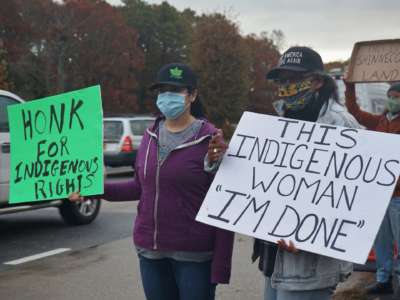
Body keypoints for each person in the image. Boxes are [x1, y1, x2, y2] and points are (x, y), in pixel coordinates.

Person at [208, 46, 361, 300]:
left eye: (295, 79)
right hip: (274, 256)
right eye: (282, 80)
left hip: (309, 264)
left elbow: (355, 195)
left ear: (317, 82)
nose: (286, 86)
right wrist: (223, 158)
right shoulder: (279, 121)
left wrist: (309, 235)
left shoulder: (341, 124)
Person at [71, 63, 234, 300]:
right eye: (162, 90)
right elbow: (138, 187)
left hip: (195, 256)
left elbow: (223, 205)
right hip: (151, 253)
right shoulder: (149, 135)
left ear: (193, 95)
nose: (167, 96)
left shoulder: (211, 141)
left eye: (176, 90)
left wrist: (221, 265)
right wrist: (93, 189)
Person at [345, 80, 400, 295]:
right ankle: (383, 279)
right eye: (391, 96)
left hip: (398, 195)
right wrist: (350, 87)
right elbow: (355, 112)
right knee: (381, 241)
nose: (393, 100)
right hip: (380, 194)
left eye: (397, 97)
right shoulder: (380, 121)